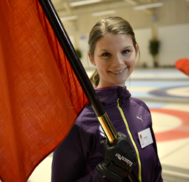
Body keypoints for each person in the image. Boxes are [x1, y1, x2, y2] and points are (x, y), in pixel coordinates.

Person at [51, 17, 163, 182]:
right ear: (91, 57)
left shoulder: (142, 110)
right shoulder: (78, 122)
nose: (118, 63)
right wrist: (104, 174)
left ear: (136, 50)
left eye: (126, 51)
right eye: (106, 54)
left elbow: (156, 173)